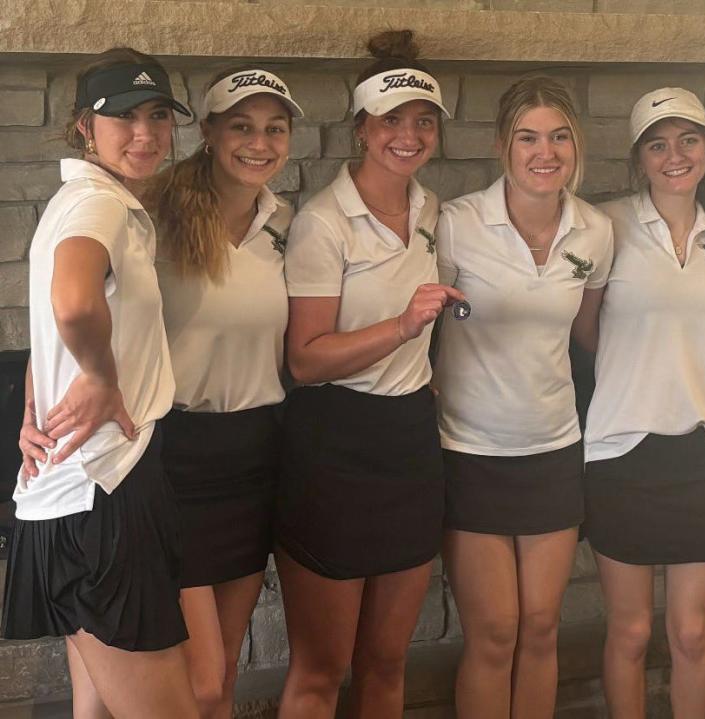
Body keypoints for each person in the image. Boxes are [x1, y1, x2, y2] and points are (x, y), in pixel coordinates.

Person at [3, 48, 199, 718]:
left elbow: (60, 319)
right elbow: (74, 302)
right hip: (104, 493)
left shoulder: (85, 199)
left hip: (77, 493)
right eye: (122, 117)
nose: (144, 133)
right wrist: (99, 374)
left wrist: (41, 384)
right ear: (86, 125)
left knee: (97, 710)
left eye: (156, 116)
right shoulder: (98, 204)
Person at [276, 30, 463, 719]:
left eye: (423, 121)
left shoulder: (434, 212)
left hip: (411, 441)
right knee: (322, 668)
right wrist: (402, 328)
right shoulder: (323, 223)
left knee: (387, 661)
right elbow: (305, 357)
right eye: (391, 120)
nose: (407, 135)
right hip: (333, 446)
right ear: (361, 129)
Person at [432, 76, 614, 719]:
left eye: (560, 136)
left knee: (540, 627)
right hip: (470, 451)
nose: (546, 152)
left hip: (554, 449)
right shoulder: (455, 224)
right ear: (501, 146)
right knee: (494, 632)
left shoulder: (594, 231)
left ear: (576, 145)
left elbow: (589, 338)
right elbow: (420, 329)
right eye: (529, 137)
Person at [578, 88, 705, 719]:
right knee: (629, 633)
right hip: (621, 449)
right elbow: (584, 329)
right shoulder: (605, 226)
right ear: (639, 158)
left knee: (690, 633)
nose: (674, 155)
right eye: (657, 144)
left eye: (688, 140)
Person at [149, 67, 301, 718]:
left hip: (255, 453)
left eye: (274, 128)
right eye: (241, 126)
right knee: (200, 678)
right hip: (172, 456)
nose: (258, 142)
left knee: (227, 665)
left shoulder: (284, 223)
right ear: (208, 133)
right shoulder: (153, 213)